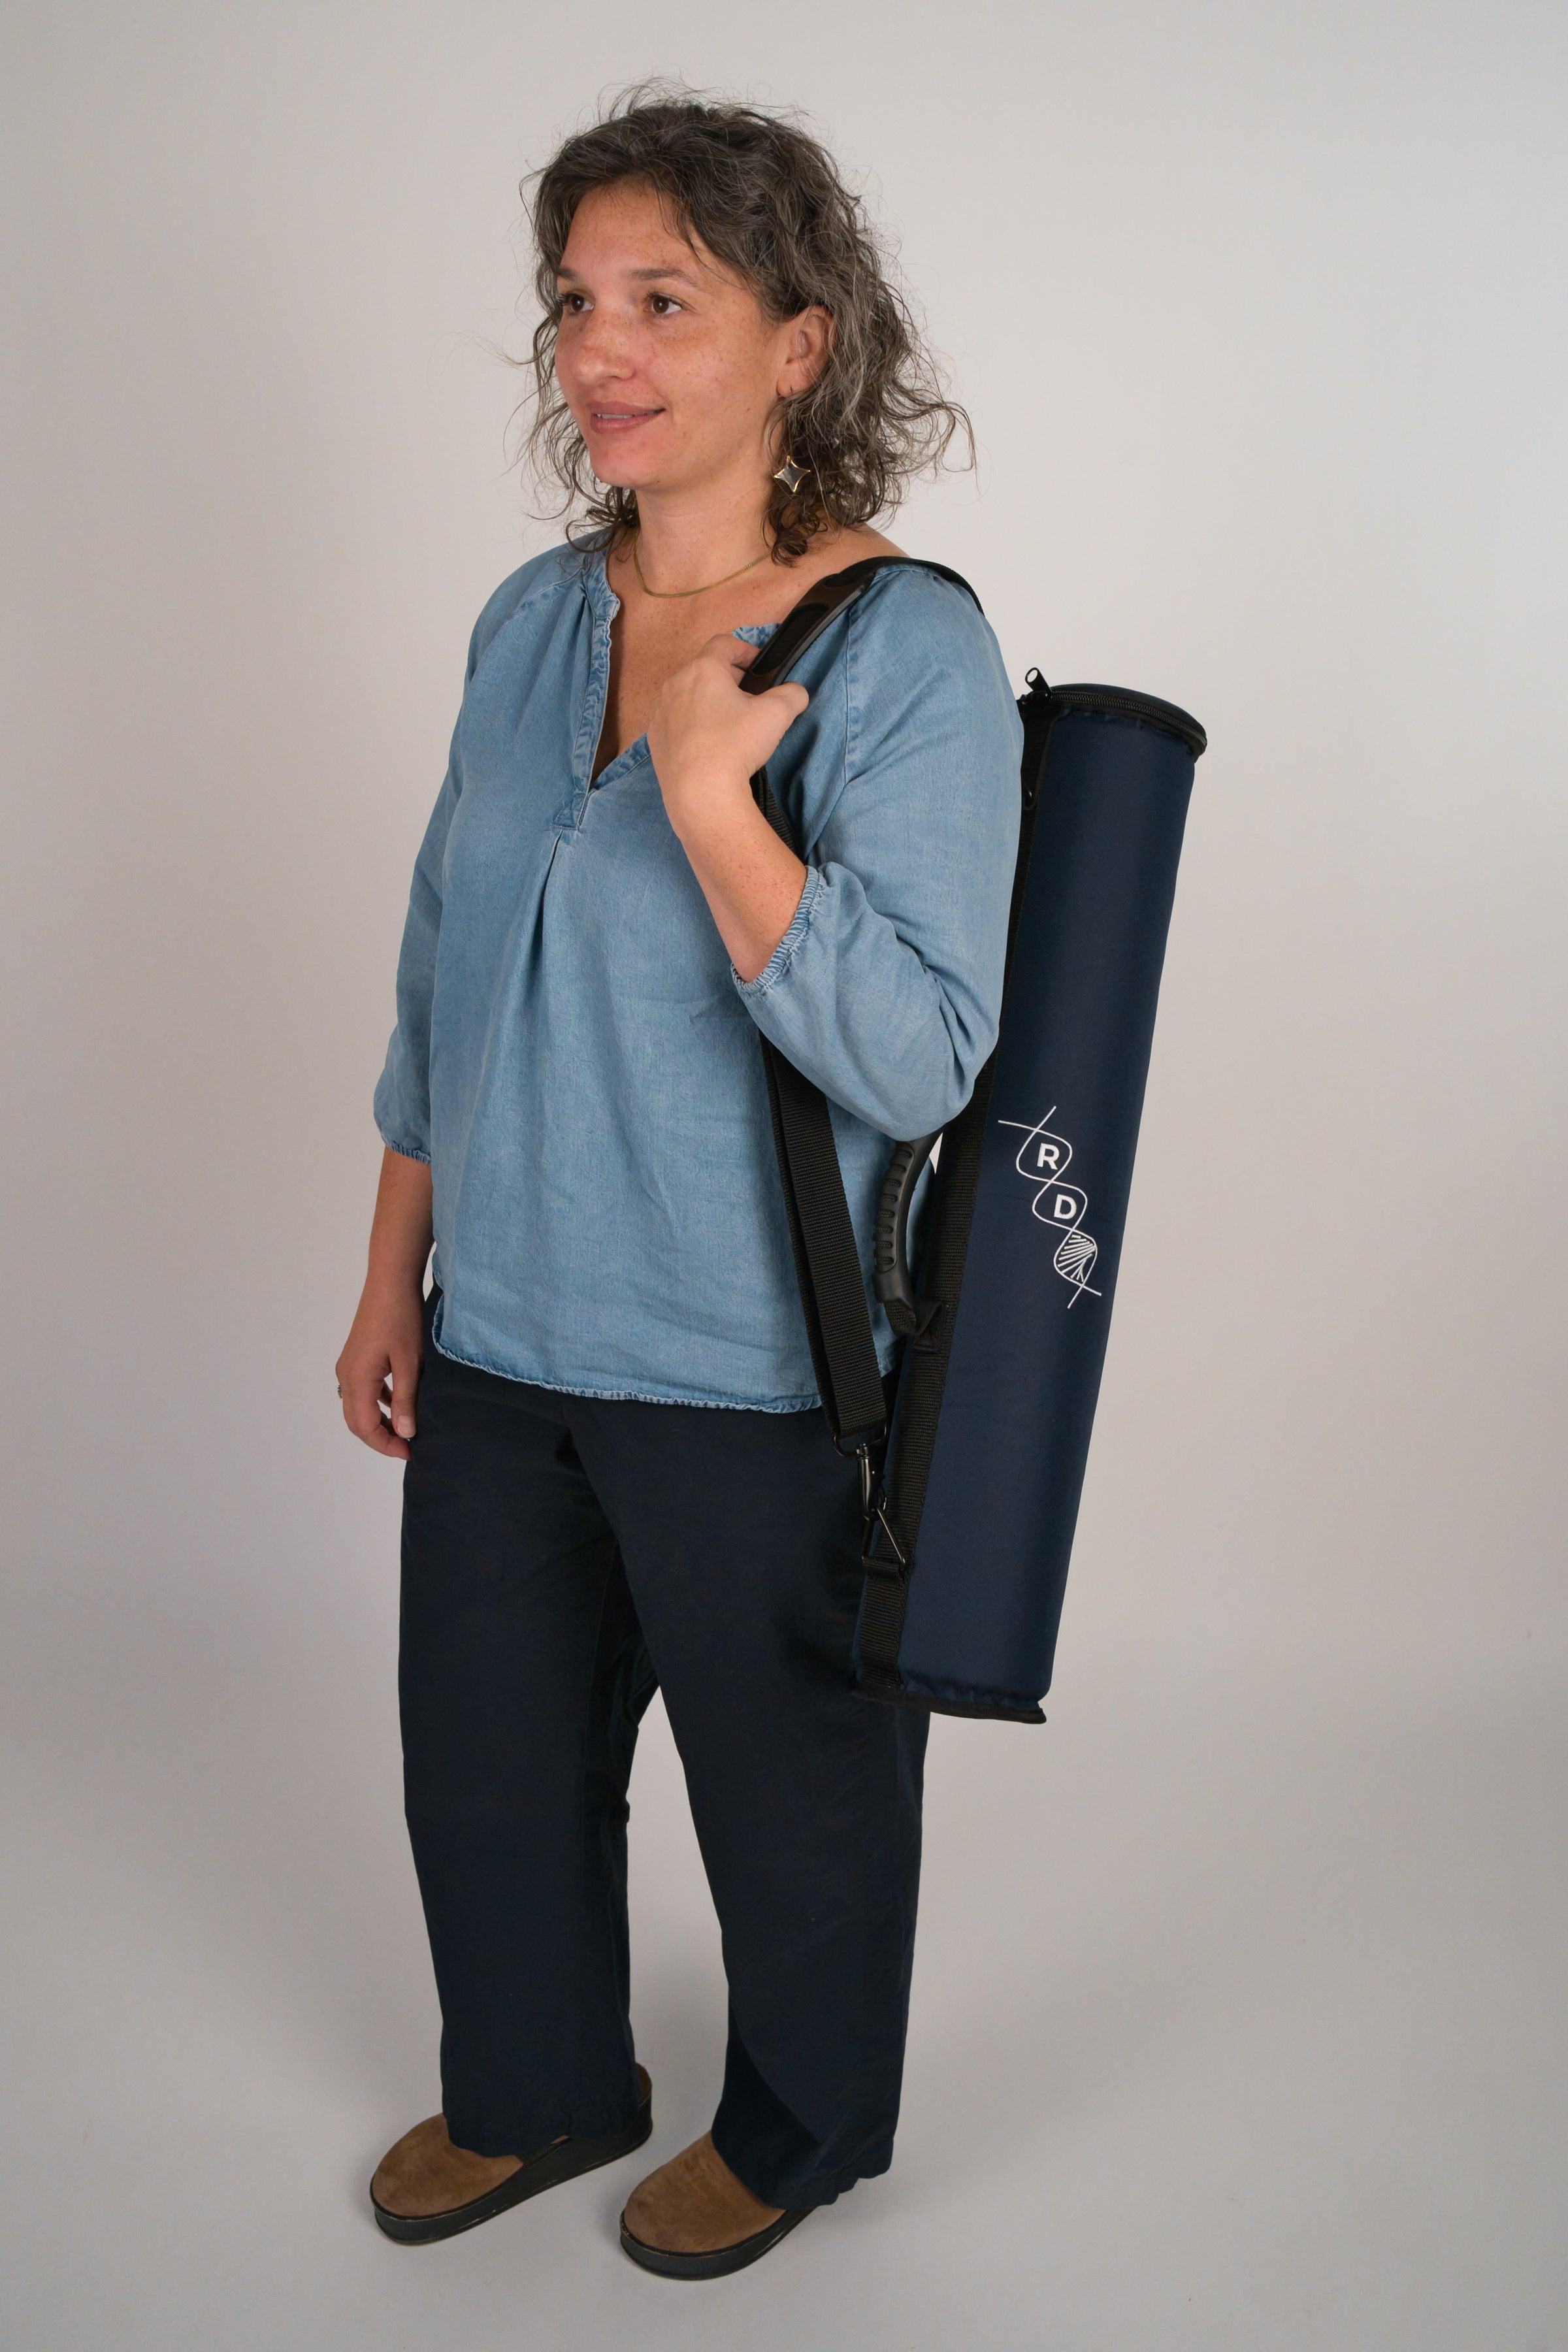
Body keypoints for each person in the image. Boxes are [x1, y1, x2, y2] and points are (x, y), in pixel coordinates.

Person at [335, 86, 1022, 2280]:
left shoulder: (901, 652)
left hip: (753, 1369)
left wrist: (723, 806)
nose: (599, 352)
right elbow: (443, 968)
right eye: (575, 303)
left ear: (801, 341)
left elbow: (924, 1051)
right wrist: (394, 1272)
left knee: (793, 1799)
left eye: (664, 300)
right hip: (503, 1339)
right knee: (487, 1770)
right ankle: (542, 2088)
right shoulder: (531, 619)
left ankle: (802, 2130)